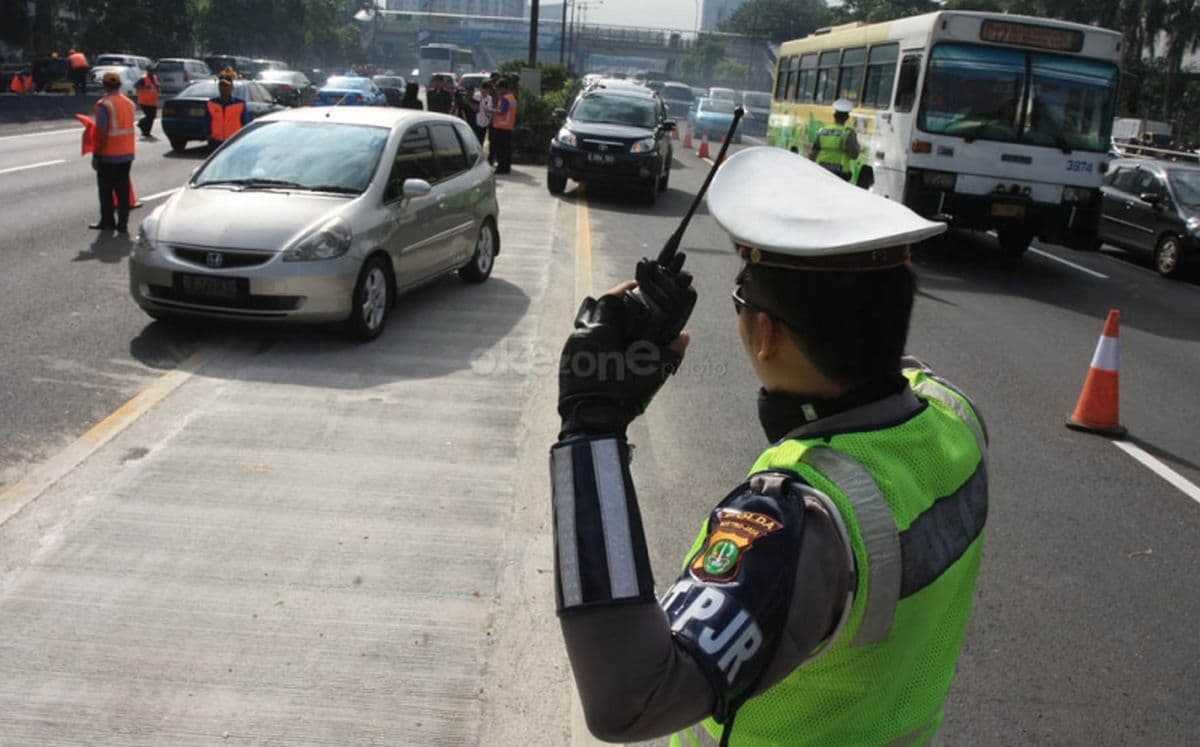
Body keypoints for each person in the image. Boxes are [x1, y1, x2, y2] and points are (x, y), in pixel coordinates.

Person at [550, 147, 988, 746]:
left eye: (741, 303)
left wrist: (590, 429)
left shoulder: (796, 524)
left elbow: (628, 700)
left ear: (765, 330)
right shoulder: (953, 415)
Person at [89, 71, 137, 233]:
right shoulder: (129, 103)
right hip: (127, 154)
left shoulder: (104, 105)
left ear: (104, 85)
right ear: (119, 85)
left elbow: (101, 134)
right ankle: (122, 224)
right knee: (123, 191)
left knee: (106, 191)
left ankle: (107, 221)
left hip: (109, 156)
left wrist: (96, 155)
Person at [809, 98, 860, 181]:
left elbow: (813, 153)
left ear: (834, 116)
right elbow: (854, 155)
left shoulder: (823, 131)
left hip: (821, 170)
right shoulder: (848, 133)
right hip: (840, 172)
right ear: (847, 117)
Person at [205, 76, 250, 150]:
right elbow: (207, 121)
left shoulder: (240, 104)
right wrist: (208, 134)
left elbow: (245, 122)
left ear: (231, 87)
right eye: (221, 86)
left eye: (226, 86)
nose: (223, 88)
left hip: (234, 141)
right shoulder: (211, 103)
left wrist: (243, 138)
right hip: (216, 142)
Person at [490, 78, 516, 174]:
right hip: (508, 126)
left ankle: (501, 168)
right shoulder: (512, 97)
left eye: (498, 89)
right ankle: (506, 168)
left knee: (500, 150)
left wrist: (492, 110)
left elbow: (502, 111)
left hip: (501, 127)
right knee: (506, 150)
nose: (497, 91)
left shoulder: (505, 98)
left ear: (503, 88)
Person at [134, 67, 160, 139]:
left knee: (152, 117)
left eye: (153, 70)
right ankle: (141, 123)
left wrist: (158, 90)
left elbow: (156, 87)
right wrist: (145, 87)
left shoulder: (155, 78)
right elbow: (136, 86)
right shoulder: (143, 78)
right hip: (144, 101)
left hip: (153, 101)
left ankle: (146, 132)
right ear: (148, 71)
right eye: (151, 70)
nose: (152, 72)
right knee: (149, 116)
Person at [474, 81, 494, 148]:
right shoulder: (476, 96)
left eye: (487, 90)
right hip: (476, 122)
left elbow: (489, 109)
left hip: (485, 123)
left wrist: (489, 116)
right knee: (476, 140)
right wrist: (481, 98)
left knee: (482, 140)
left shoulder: (489, 98)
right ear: (481, 88)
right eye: (484, 89)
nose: (485, 92)